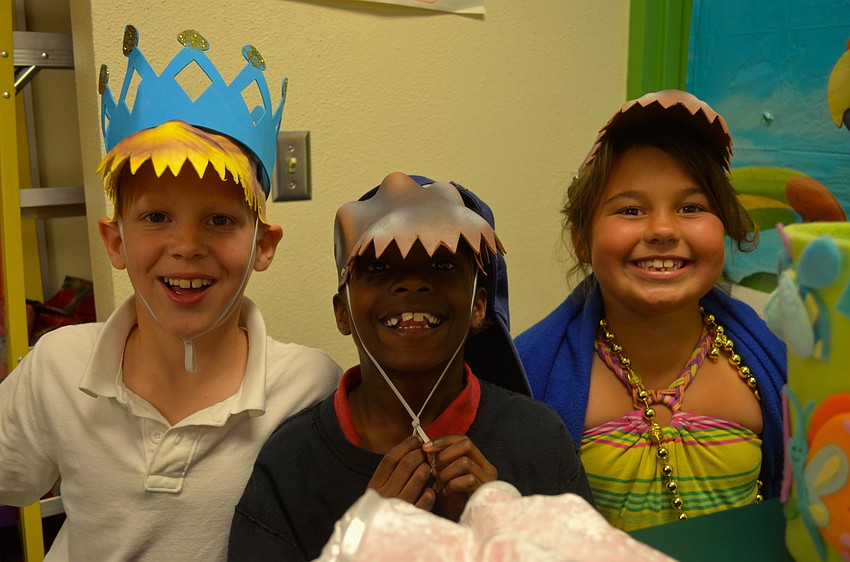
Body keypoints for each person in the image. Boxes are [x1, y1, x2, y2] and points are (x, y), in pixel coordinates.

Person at [0, 25, 340, 560]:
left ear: (264, 247)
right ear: (115, 241)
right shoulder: (57, 366)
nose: (186, 245)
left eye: (221, 220)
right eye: (156, 217)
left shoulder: (309, 387)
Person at [228, 172, 594, 561]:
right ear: (343, 313)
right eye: (380, 268)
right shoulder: (292, 462)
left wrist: (501, 536)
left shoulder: (539, 441)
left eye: (440, 265)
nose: (412, 285)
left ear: (478, 306)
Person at [515, 90, 787, 532]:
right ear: (582, 239)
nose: (662, 229)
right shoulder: (527, 377)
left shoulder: (775, 368)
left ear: (726, 228)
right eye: (631, 209)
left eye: (691, 207)